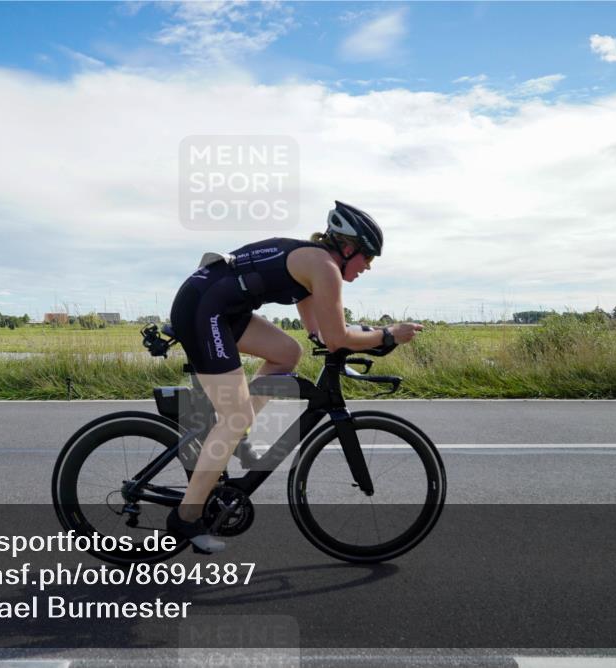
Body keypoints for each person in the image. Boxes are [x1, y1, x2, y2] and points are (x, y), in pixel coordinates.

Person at [166, 200, 424, 553]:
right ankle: (187, 516)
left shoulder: (315, 266)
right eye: (368, 257)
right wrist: (388, 334)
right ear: (348, 248)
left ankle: (233, 429)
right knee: (235, 415)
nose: (369, 267)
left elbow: (319, 332)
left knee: (288, 353)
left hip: (221, 307)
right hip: (203, 307)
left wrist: (368, 335)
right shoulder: (325, 268)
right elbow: (336, 339)